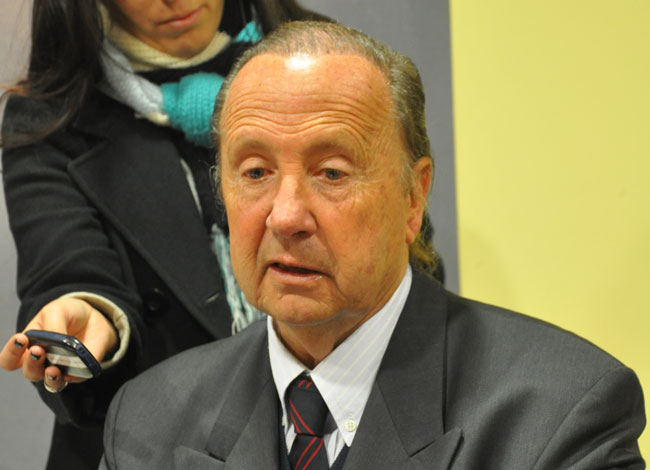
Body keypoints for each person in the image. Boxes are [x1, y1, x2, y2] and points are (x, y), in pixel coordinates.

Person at [98, 20, 646, 470]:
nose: (286, 216)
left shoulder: (561, 414)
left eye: (332, 173)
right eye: (256, 172)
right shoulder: (146, 421)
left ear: (413, 198)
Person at [0, 1, 327, 468]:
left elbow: (398, 254)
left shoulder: (330, 62)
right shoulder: (53, 114)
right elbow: (68, 267)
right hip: (157, 445)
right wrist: (92, 319)